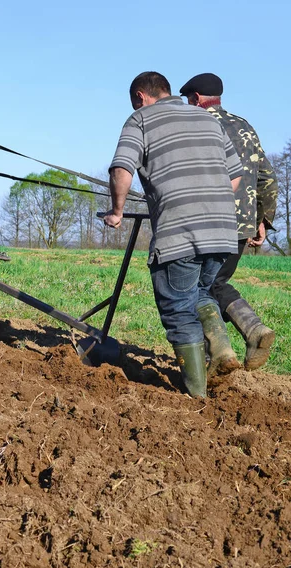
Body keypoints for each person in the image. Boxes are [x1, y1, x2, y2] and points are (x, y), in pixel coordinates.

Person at [104, 71, 243, 398]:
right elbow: (235, 177)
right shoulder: (207, 119)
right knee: (199, 293)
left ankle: (196, 395)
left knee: (179, 310)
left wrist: (117, 211)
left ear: (141, 96)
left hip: (179, 232)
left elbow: (121, 169)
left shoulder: (139, 120)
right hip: (223, 231)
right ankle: (222, 350)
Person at [179, 73, 278, 370]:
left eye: (188, 100)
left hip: (205, 222)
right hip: (241, 225)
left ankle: (219, 355)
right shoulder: (245, 126)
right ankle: (254, 329)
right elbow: (268, 179)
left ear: (196, 98)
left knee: (193, 288)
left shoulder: (196, 125)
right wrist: (261, 220)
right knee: (216, 282)